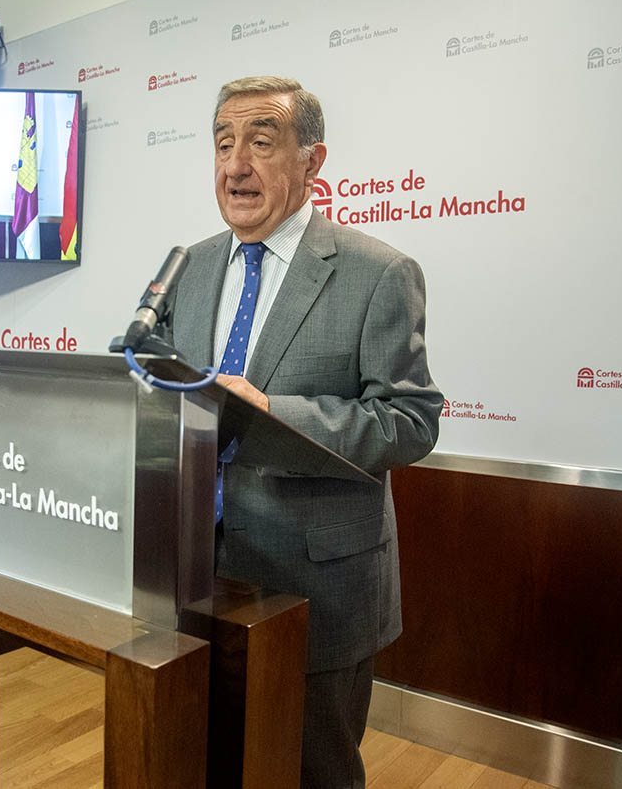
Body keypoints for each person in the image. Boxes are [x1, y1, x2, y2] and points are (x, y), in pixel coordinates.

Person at [166, 76, 442, 789]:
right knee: (200, 759)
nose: (235, 165)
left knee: (310, 772)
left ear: (311, 162)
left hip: (314, 585)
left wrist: (270, 412)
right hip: (191, 569)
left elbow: (410, 422)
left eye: (260, 142)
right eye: (223, 144)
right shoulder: (188, 267)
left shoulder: (376, 273)